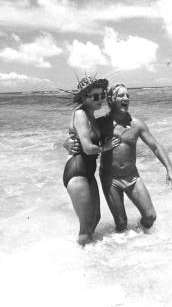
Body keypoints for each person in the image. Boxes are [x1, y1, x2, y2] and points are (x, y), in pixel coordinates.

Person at [65, 84, 172, 234]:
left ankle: (144, 237)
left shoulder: (137, 124)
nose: (126, 98)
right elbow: (80, 134)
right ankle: (123, 250)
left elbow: (155, 146)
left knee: (150, 216)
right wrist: (66, 143)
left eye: (128, 96)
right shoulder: (101, 124)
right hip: (110, 179)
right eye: (121, 95)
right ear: (111, 100)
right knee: (121, 223)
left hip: (133, 177)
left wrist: (169, 169)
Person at [62, 76, 120, 245]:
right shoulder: (80, 113)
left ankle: (90, 255)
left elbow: (73, 136)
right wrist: (105, 147)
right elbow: (87, 148)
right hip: (77, 172)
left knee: (95, 218)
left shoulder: (91, 116)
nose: (100, 99)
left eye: (102, 95)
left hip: (88, 173)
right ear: (83, 98)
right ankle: (81, 262)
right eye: (95, 96)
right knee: (86, 226)